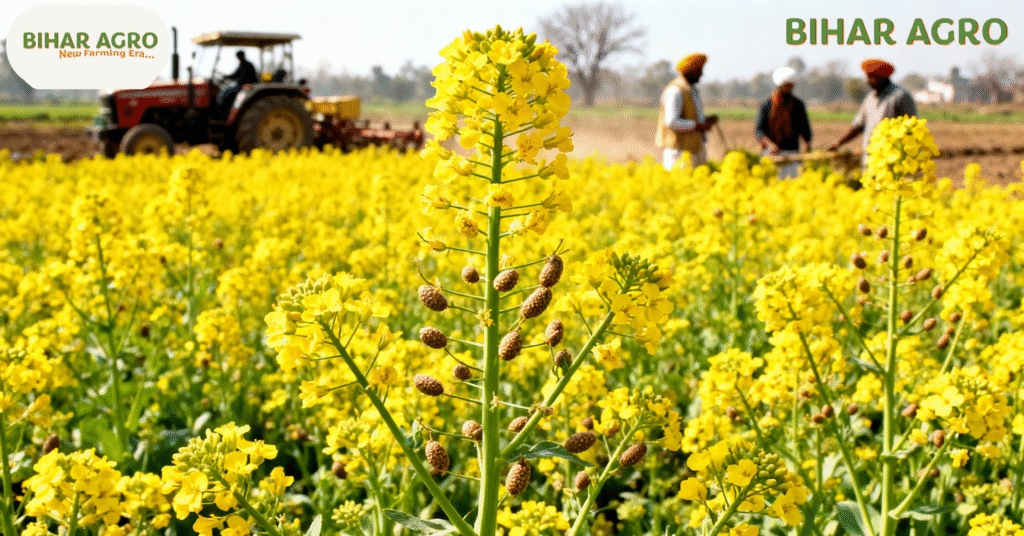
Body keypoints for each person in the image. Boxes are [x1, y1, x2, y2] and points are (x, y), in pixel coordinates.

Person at [828, 59, 917, 153]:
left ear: (882, 77)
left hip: (891, 158)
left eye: (870, 77)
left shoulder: (901, 97)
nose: (867, 81)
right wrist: (838, 143)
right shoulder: (870, 98)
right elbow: (858, 126)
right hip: (869, 158)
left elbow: (911, 127)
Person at [656, 53, 718, 171]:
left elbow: (693, 117)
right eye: (699, 70)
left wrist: (706, 120)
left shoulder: (692, 90)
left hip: (695, 149)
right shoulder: (676, 90)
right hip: (679, 152)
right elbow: (671, 122)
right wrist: (698, 126)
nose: (701, 74)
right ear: (689, 71)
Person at [755, 66, 812, 179]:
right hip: (772, 155)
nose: (789, 88)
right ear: (780, 85)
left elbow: (804, 128)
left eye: (791, 85)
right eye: (787, 85)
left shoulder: (798, 105)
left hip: (792, 154)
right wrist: (770, 145)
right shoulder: (767, 105)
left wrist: (807, 143)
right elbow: (759, 130)